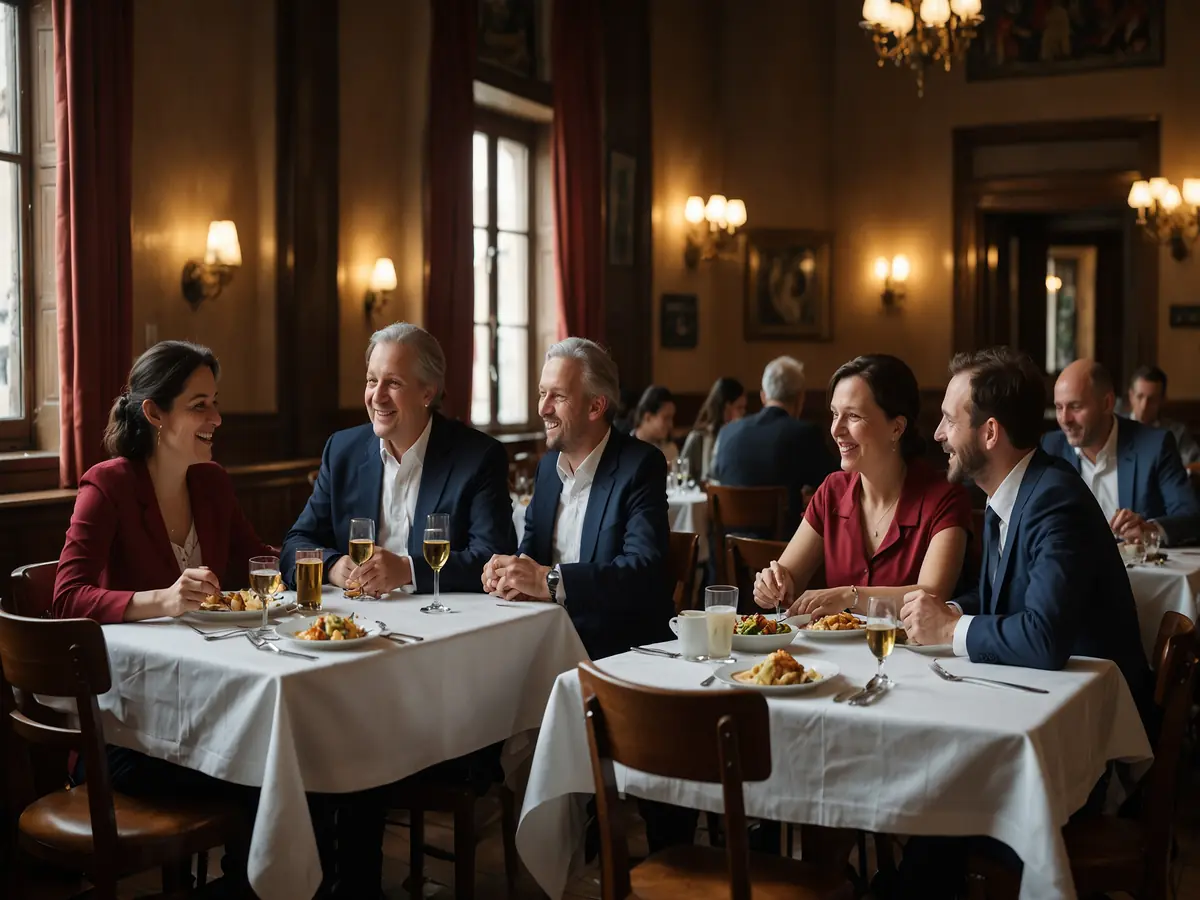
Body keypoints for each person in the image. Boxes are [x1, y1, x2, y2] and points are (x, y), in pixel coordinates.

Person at [895, 348, 1153, 899]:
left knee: (938, 804)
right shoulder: (1009, 493)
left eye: (947, 419)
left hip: (1084, 748)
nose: (938, 434)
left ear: (989, 432)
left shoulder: (1052, 499)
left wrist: (949, 632)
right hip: (1037, 711)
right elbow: (1001, 602)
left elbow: (1043, 638)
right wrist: (950, 613)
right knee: (927, 800)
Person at [53, 341, 278, 897]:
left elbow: (260, 563)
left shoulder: (212, 482)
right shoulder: (108, 485)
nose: (216, 419)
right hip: (127, 737)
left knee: (291, 758)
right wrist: (161, 599)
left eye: (215, 403)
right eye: (199, 405)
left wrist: (332, 566)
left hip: (203, 714)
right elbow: (64, 599)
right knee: (267, 772)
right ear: (154, 412)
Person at [281, 322, 516, 595]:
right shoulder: (342, 450)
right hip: (355, 623)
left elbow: (494, 559)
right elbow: (296, 543)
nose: (377, 397)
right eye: (371, 381)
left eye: (393, 383)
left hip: (446, 622)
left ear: (427, 392)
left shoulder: (479, 457)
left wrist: (408, 570)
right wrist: (332, 565)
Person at [482, 337, 671, 661]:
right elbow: (531, 552)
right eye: (542, 393)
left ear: (596, 406)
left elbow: (643, 572)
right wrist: (511, 573)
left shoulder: (640, 466)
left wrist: (552, 582)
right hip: (543, 636)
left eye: (558, 396)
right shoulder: (546, 469)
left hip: (617, 652)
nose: (543, 408)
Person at [752, 355, 971, 620]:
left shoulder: (945, 498)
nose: (836, 429)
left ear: (897, 428)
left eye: (853, 416)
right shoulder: (832, 490)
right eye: (834, 414)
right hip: (836, 659)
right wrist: (773, 583)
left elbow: (932, 595)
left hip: (911, 657)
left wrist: (850, 596)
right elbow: (789, 578)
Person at [1041, 359, 1200, 547]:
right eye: (1059, 407)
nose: (1065, 419)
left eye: (1075, 407)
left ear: (1107, 403)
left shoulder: (1155, 445)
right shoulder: (1051, 447)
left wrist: (1150, 530)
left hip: (1139, 573)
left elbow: (1191, 517)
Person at [710, 356, 836, 535]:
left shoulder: (727, 432)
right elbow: (835, 484)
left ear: (763, 396)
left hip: (731, 550)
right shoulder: (805, 433)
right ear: (801, 398)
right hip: (784, 556)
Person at [1119, 364, 1200, 466]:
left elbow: (1195, 464)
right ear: (1131, 396)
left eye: (1152, 400)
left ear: (1162, 400)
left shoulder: (1177, 432)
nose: (1144, 406)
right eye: (1140, 397)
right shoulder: (1116, 427)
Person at [680, 376, 746, 481]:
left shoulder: (741, 437)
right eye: (739, 408)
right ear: (726, 407)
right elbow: (682, 475)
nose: (743, 413)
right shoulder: (698, 438)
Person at [630, 384, 680, 467]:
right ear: (648, 417)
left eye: (672, 418)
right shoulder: (625, 451)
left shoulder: (670, 450)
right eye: (666, 418)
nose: (671, 425)